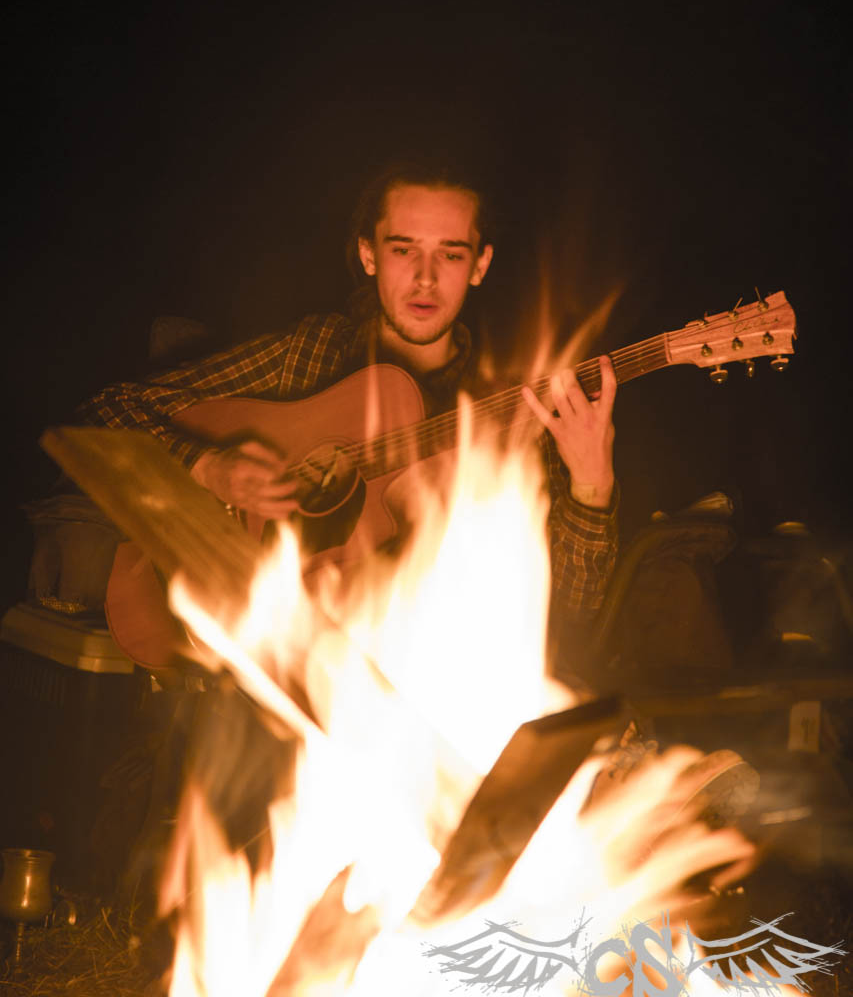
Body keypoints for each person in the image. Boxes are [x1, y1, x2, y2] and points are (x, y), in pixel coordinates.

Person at [77, 166, 618, 679]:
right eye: (403, 249)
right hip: (266, 661)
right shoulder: (311, 353)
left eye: (451, 255)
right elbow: (110, 409)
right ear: (368, 255)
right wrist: (209, 468)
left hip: (412, 681)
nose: (425, 278)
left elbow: (568, 614)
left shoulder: (513, 408)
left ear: (479, 265)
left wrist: (591, 486)